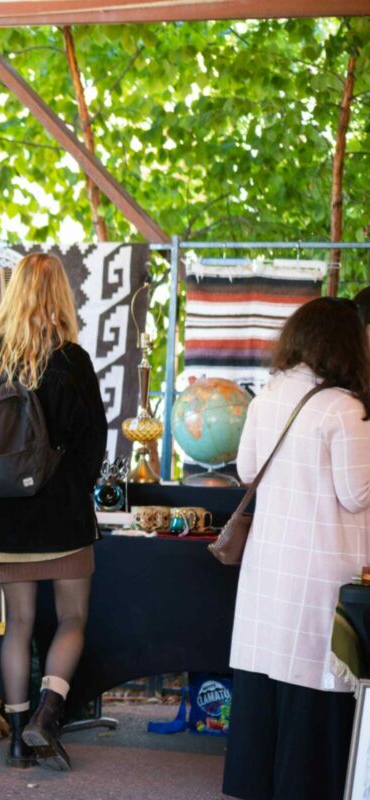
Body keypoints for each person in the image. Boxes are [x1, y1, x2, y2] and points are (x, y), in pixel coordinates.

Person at [0, 252, 106, 772]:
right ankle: (49, 711)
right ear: (60, 295)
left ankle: (18, 740)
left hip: (2, 517)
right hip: (61, 517)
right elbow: (93, 448)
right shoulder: (71, 360)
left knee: (17, 623)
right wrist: (68, 487)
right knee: (72, 617)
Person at [223, 296, 370, 800]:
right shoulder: (346, 408)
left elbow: (246, 472)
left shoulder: (268, 396)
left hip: (270, 568)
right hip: (324, 570)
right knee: (314, 687)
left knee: (269, 684)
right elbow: (358, 494)